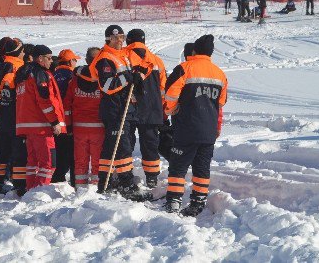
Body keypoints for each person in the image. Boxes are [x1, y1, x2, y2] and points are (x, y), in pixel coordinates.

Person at [163, 35, 228, 216]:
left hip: (186, 128)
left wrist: (171, 110)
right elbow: (221, 102)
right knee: (202, 167)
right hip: (208, 130)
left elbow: (170, 94)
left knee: (178, 166)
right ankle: (198, 201)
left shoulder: (184, 68)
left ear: (194, 50)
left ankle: (174, 201)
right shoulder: (219, 73)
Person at [89, 25, 151, 201]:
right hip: (115, 108)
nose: (120, 41)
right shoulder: (105, 59)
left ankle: (105, 181)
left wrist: (138, 75)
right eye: (116, 38)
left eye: (122, 37)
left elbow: (140, 68)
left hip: (126, 106)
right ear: (108, 38)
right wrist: (128, 78)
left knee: (112, 146)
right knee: (122, 146)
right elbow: (107, 86)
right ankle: (127, 184)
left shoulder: (123, 55)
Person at [16, 45, 66, 191]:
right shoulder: (40, 74)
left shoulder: (23, 74)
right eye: (49, 58)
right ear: (40, 58)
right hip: (41, 127)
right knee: (48, 163)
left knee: (33, 163)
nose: (51, 61)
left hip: (27, 126)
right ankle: (40, 191)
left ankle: (31, 190)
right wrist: (54, 121)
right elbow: (45, 100)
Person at [124, 29, 166, 189]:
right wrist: (161, 108)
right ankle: (152, 178)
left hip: (130, 106)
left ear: (128, 40)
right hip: (152, 108)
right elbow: (163, 87)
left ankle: (125, 176)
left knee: (127, 142)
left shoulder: (124, 57)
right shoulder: (156, 60)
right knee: (150, 144)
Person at [0, 38, 27, 198]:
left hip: (3, 117)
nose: (24, 53)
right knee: (19, 154)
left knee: (0, 154)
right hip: (16, 116)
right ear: (18, 51)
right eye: (23, 50)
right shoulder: (17, 67)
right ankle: (19, 188)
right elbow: (15, 89)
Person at [64, 47, 103, 189]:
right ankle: (96, 187)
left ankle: (80, 188)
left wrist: (68, 125)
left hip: (79, 127)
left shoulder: (75, 80)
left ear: (86, 60)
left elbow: (67, 104)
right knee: (98, 160)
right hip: (98, 127)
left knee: (80, 160)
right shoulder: (103, 80)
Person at [51, 49, 80, 185]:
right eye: (75, 60)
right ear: (70, 61)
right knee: (73, 154)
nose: (76, 62)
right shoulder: (72, 76)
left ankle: (57, 179)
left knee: (59, 152)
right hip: (68, 122)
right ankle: (75, 181)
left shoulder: (52, 75)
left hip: (54, 121)